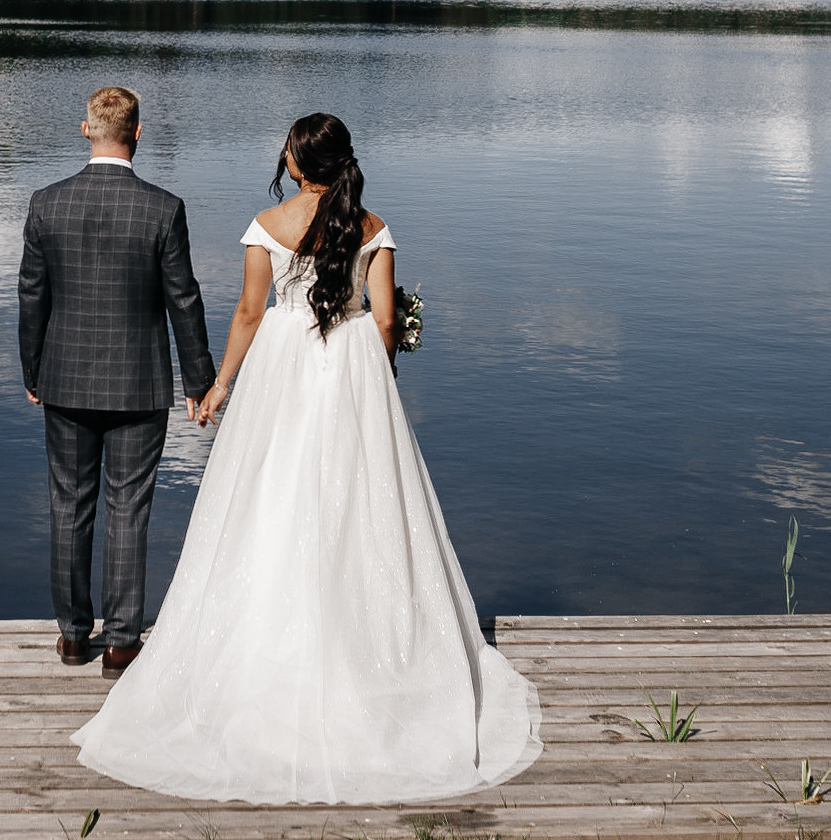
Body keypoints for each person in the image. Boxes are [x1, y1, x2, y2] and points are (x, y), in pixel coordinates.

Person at [72, 113, 542, 804]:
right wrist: (377, 377)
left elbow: (248, 314)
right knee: (363, 503)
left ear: (296, 162)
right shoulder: (373, 225)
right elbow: (383, 321)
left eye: (287, 147)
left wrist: (220, 385)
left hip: (281, 372)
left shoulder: (268, 223)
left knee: (267, 496)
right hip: (350, 368)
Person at [17, 86, 217, 677]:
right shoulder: (163, 207)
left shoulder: (45, 203)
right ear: (138, 133)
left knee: (68, 506)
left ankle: (74, 637)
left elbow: (33, 296)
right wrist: (198, 380)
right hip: (139, 382)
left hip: (65, 378)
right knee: (129, 508)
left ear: (86, 131)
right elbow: (184, 299)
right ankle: (123, 643)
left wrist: (33, 369)